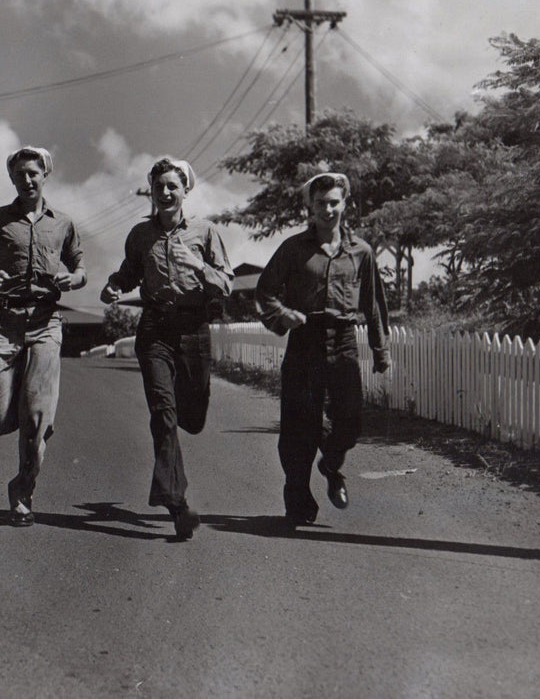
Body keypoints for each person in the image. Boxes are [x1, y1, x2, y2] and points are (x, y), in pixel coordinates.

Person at [100, 157, 233, 540]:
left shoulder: (206, 233)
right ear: (153, 193)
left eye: (173, 186)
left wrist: (198, 265)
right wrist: (113, 287)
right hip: (155, 328)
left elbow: (225, 284)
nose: (166, 193)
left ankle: (174, 488)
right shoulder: (141, 235)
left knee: (192, 417)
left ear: (185, 190)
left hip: (193, 329)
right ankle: (177, 503)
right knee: (163, 413)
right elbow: (128, 271)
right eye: (159, 187)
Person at [0, 146, 86, 527]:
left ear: (45, 175)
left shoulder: (62, 223)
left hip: (45, 323)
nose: (28, 180)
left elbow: (81, 269)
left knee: (35, 419)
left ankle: (23, 490)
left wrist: (73, 279)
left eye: (34, 173)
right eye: (20, 175)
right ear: (12, 179)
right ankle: (33, 414)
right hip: (1, 323)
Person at [255, 171, 391, 526]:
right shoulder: (293, 249)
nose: (328, 209)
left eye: (334, 202)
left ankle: (330, 463)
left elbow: (373, 304)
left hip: (343, 341)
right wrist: (284, 316)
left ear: (345, 205)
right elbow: (264, 292)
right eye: (320, 204)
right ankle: (298, 499)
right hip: (305, 341)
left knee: (351, 420)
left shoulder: (361, 252)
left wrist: (381, 350)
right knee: (300, 427)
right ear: (309, 208)